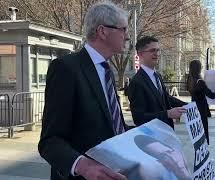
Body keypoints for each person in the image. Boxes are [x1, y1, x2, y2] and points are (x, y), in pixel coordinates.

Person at [38, 2, 130, 180]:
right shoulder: (66, 68)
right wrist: (82, 165)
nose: (127, 36)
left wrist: (150, 138)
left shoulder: (106, 70)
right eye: (123, 29)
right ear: (102, 31)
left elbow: (113, 125)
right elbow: (50, 141)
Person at [128, 36, 187, 129]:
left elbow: (165, 98)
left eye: (158, 50)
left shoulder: (157, 75)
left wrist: (187, 106)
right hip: (152, 137)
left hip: (167, 132)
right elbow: (139, 118)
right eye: (152, 50)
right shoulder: (136, 82)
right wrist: (167, 114)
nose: (157, 54)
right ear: (140, 54)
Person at [186, 60, 215, 144]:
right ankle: (204, 153)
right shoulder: (200, 82)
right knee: (204, 134)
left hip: (194, 108)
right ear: (199, 68)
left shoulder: (190, 79)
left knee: (198, 134)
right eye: (201, 66)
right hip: (201, 110)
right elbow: (212, 95)